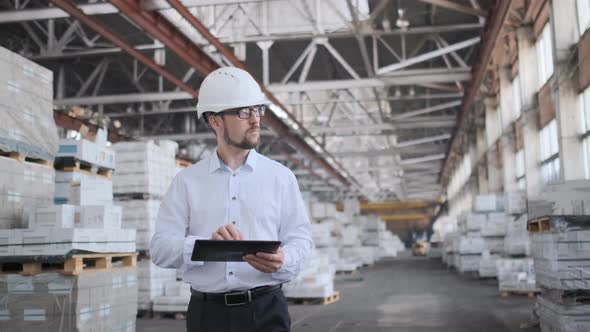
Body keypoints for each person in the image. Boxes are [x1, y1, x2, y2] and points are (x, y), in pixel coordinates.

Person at [150, 66, 313, 332]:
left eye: (258, 110)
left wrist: (284, 259)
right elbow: (159, 248)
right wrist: (203, 247)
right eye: (244, 111)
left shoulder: (281, 178)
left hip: (266, 311)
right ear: (215, 121)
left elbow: (301, 241)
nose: (256, 120)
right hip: (208, 316)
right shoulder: (187, 181)